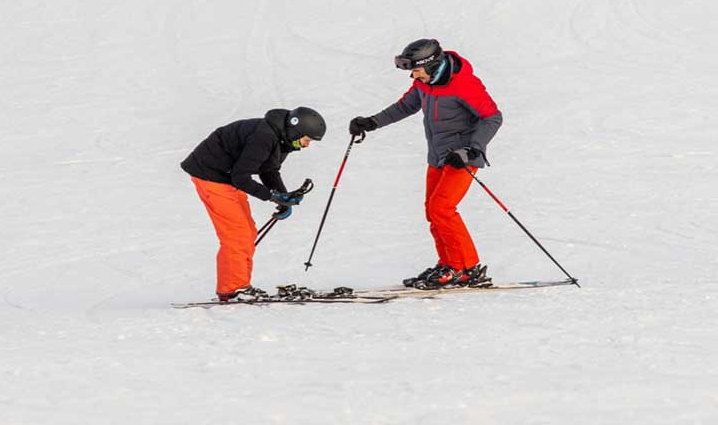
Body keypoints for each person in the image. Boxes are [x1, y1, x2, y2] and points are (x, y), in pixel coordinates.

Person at [349, 39, 503, 288]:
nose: (413, 76)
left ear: (431, 66)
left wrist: (471, 149)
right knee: (433, 211)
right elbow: (405, 106)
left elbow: (492, 117)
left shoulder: (463, 84)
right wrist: (372, 122)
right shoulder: (425, 84)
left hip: (462, 158)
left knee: (442, 208)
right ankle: (449, 263)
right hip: (438, 156)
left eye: (416, 70)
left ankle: (463, 268)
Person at [181, 107, 326, 301]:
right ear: (295, 130)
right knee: (237, 234)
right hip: (211, 175)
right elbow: (241, 177)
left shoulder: (282, 139)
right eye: (307, 139)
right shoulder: (264, 137)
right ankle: (232, 290)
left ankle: (239, 285)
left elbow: (269, 170)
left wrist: (284, 198)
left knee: (247, 232)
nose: (307, 145)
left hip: (226, 177)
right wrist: (273, 196)